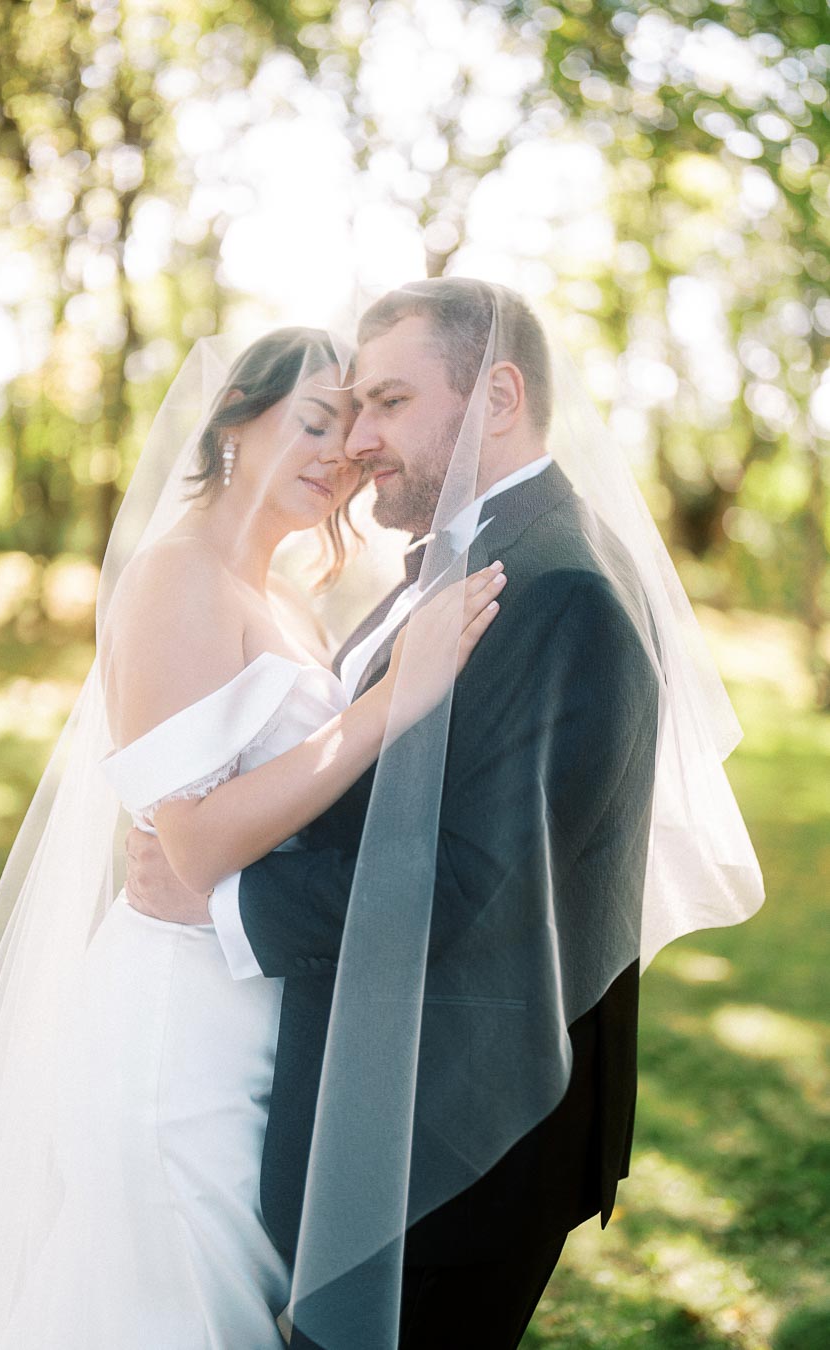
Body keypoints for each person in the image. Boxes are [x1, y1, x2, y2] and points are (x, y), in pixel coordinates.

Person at [127, 279, 764, 1350]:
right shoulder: (465, 557)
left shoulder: (560, 589)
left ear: (498, 395)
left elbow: (475, 881)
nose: (361, 440)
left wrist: (222, 904)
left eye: (387, 402)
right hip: (392, 1106)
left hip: (463, 1137)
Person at [0, 324, 504, 1349]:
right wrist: (389, 705)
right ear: (238, 417)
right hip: (174, 1029)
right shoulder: (177, 577)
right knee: (176, 1307)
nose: (342, 452)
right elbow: (188, 845)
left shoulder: (282, 596)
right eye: (317, 419)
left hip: (255, 1000)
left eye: (360, 423)